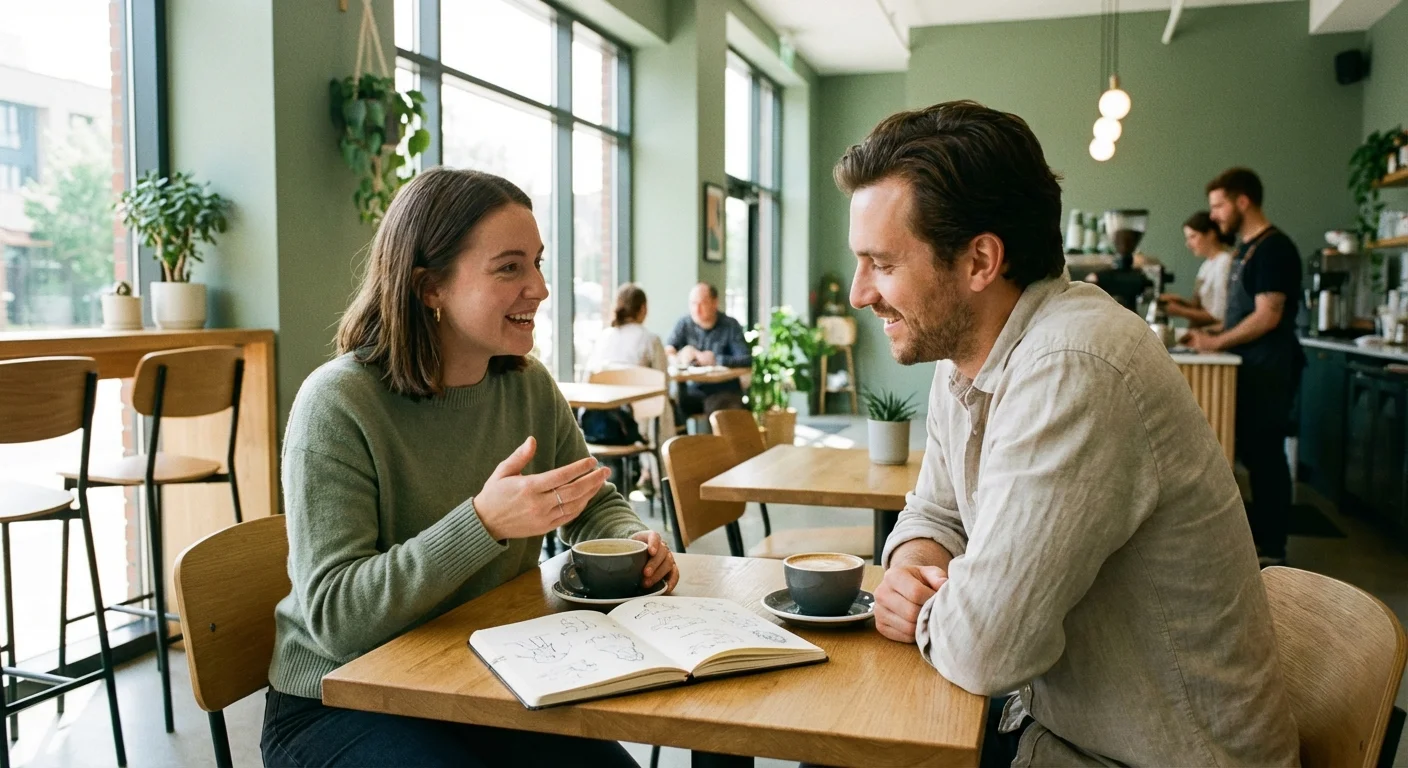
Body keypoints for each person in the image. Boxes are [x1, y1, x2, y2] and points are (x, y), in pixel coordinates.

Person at [838, 102, 1297, 766]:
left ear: (980, 262)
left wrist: (925, 610)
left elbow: (986, 647)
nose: (859, 293)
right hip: (1059, 730)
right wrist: (908, 574)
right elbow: (935, 512)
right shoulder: (965, 354)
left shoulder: (1074, 366)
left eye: (881, 263)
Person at [262, 168, 678, 768]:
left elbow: (589, 498)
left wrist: (629, 542)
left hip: (486, 678)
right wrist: (482, 524)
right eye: (509, 268)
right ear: (430, 287)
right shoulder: (338, 402)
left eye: (537, 263)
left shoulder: (528, 386)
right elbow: (337, 618)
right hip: (340, 699)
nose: (539, 287)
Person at [1187, 168, 1306, 567]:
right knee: (1255, 456)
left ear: (1243, 201)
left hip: (1270, 370)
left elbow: (1268, 315)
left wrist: (1216, 342)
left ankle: (1273, 549)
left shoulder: (1275, 249)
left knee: (1267, 458)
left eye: (1220, 205)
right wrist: (1207, 334)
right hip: (1250, 368)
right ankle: (1259, 540)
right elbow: (1240, 316)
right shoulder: (1246, 249)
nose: (1215, 215)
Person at [587, 282, 676, 486]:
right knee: (664, 407)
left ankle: (643, 475)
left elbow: (588, 378)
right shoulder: (650, 339)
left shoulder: (604, 337)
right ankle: (661, 480)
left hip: (604, 423)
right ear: (643, 309)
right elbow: (664, 383)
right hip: (638, 423)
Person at [665, 283, 752, 418]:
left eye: (702, 304)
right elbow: (669, 349)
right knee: (667, 409)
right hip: (692, 391)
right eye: (693, 304)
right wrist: (679, 358)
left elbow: (746, 359)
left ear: (714, 303)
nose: (696, 309)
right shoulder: (684, 324)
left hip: (723, 390)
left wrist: (715, 359)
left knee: (720, 409)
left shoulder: (730, 326)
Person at [1160, 210, 1233, 327]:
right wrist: (1179, 301)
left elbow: (1219, 315)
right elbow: (1202, 306)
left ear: (1211, 234)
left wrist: (1179, 311)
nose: (1188, 244)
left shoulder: (1224, 262)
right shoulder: (1206, 265)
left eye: (1193, 237)